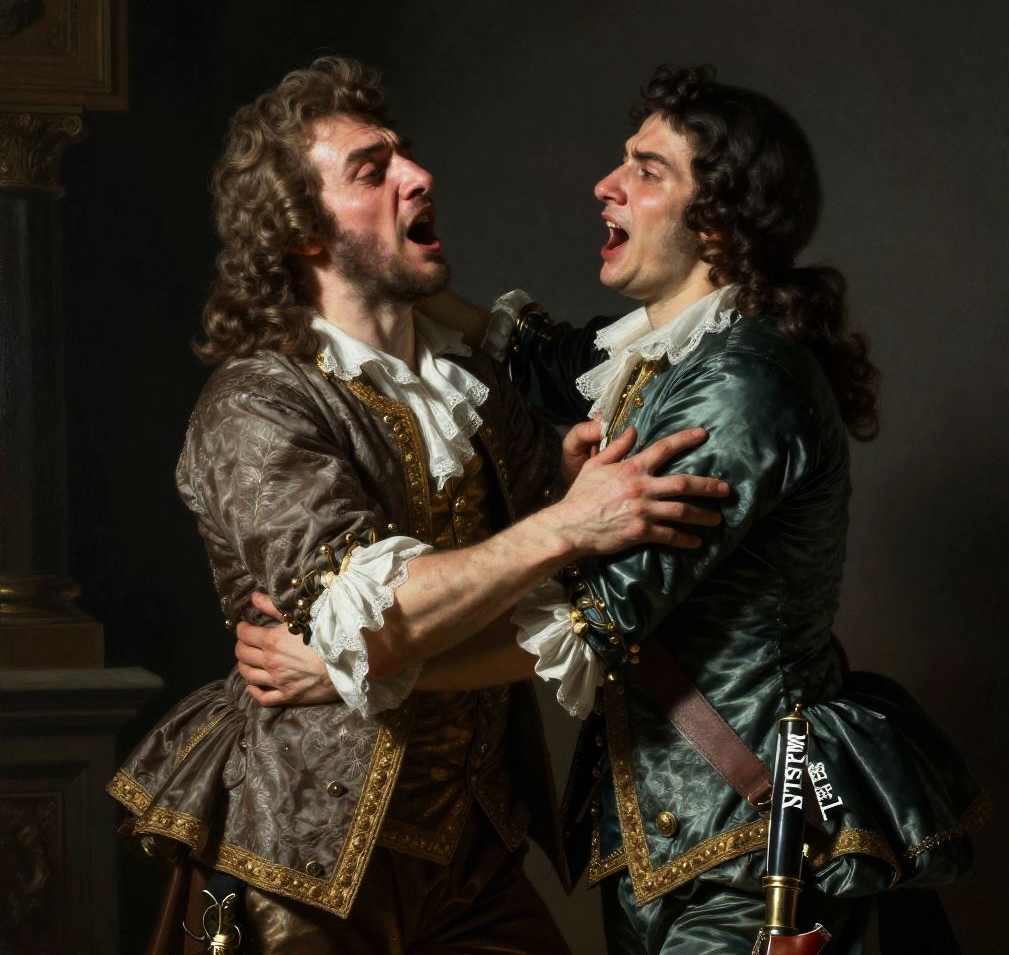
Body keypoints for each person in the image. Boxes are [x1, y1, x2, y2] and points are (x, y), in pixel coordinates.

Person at [246, 64, 987, 953]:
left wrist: (348, 671)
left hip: (754, 847)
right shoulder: (664, 358)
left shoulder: (739, 385)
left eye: (646, 169)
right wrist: (364, 256)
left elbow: (587, 624)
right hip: (667, 846)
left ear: (716, 220)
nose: (608, 183)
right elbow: (539, 354)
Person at [106, 56, 730, 955]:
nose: (419, 175)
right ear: (302, 230)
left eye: (406, 154)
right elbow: (375, 623)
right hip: (305, 860)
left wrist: (562, 494)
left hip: (476, 855)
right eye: (372, 171)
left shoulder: (475, 390)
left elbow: (562, 603)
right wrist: (566, 521)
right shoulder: (257, 405)